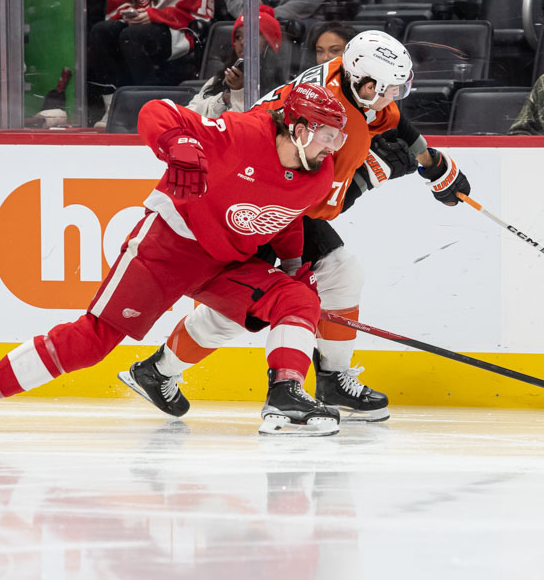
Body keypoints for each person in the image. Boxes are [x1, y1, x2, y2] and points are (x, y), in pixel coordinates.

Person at [0, 83, 351, 437]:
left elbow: (284, 218)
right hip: (170, 245)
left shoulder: (320, 175)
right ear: (298, 129)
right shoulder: (240, 133)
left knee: (297, 300)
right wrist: (178, 142)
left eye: (338, 138)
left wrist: (294, 270)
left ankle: (286, 395)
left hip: (226, 263)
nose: (333, 147)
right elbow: (155, 111)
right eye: (328, 135)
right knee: (92, 341)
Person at [119, 30, 471, 424]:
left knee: (338, 272)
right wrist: (376, 173)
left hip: (261, 187)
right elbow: (317, 207)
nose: (394, 97)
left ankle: (330, 378)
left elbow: (391, 119)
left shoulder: (343, 73)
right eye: (390, 89)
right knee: (250, 305)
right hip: (259, 199)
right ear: (367, 85)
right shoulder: (348, 130)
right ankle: (166, 372)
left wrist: (428, 160)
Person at [88, 0, 217, 127]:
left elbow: (198, 11)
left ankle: (149, 108)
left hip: (177, 26)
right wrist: (131, 13)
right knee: (101, 32)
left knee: (132, 37)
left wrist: (155, 15)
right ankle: (113, 108)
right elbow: (116, 1)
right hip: (135, 24)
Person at [187, 5, 283, 117]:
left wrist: (238, 93)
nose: (242, 42)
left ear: (269, 45)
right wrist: (223, 99)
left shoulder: (281, 91)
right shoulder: (219, 79)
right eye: (238, 37)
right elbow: (189, 113)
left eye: (252, 36)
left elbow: (246, 124)